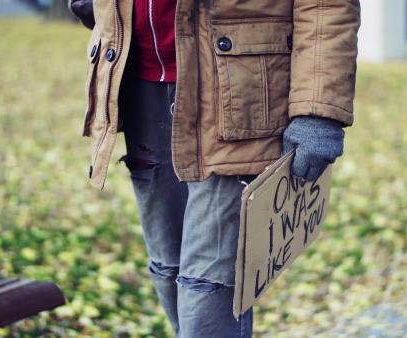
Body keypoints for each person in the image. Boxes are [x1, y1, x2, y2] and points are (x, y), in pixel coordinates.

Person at [70, 0, 360, 336]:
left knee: (206, 291)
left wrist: (318, 111)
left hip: (237, 93)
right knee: (168, 269)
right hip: (140, 83)